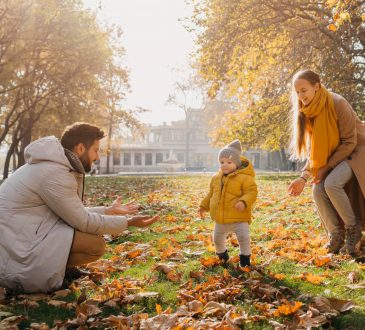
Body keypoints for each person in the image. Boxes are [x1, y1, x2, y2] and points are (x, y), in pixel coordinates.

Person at [0, 122, 159, 293]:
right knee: (95, 245)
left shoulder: (55, 167)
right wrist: (129, 222)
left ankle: (61, 269)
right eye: (96, 150)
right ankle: (43, 273)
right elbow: (82, 221)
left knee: (90, 235)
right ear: (81, 148)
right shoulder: (54, 174)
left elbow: (72, 213)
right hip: (17, 247)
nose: (97, 157)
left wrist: (108, 211)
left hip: (26, 234)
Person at [288, 70, 365, 255]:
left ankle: (353, 230)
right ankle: (335, 235)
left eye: (304, 90)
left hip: (359, 150)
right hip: (338, 156)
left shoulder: (337, 103)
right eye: (297, 92)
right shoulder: (308, 112)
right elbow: (314, 152)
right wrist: (303, 177)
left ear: (317, 86)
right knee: (318, 189)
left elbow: (350, 142)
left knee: (332, 183)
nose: (300, 96)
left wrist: (327, 168)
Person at [198, 140, 258, 267]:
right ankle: (222, 257)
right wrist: (203, 206)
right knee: (217, 240)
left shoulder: (245, 178)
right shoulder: (216, 178)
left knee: (244, 239)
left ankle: (245, 261)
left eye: (229, 162)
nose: (224, 165)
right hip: (220, 219)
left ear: (237, 163)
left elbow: (251, 192)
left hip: (239, 218)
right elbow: (211, 194)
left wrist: (243, 201)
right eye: (222, 162)